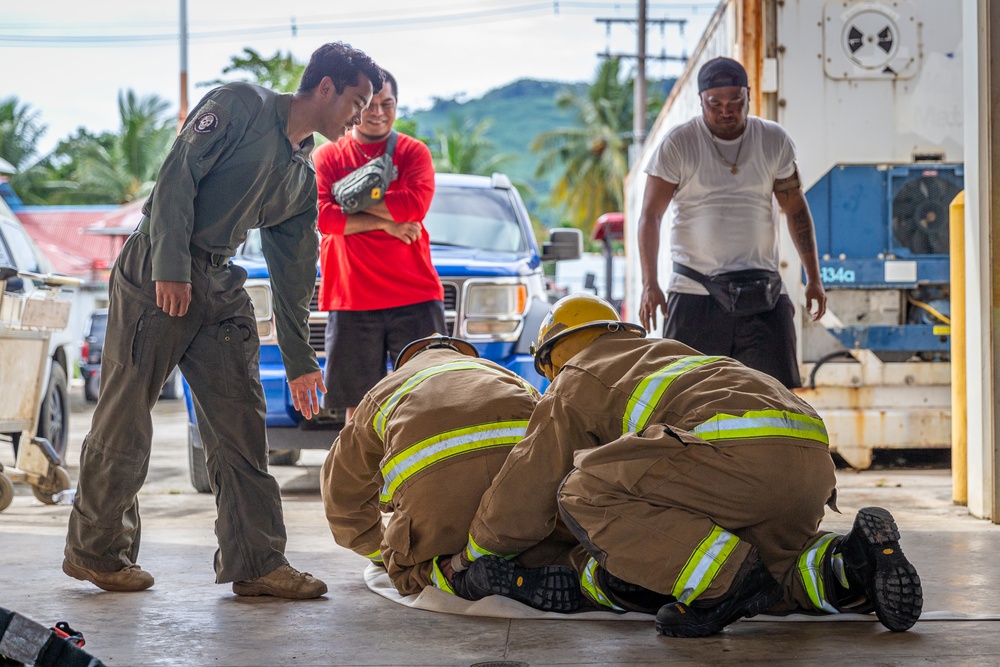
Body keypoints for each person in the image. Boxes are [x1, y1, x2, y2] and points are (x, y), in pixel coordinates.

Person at [63, 42, 384, 599]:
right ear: (326, 87)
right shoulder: (239, 104)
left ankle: (257, 561)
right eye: (357, 100)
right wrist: (169, 268)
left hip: (218, 280)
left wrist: (302, 361)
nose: (361, 116)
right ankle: (97, 552)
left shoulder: (300, 180)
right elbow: (175, 180)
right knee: (126, 414)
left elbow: (292, 275)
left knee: (242, 423)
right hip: (155, 270)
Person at [453, 293, 922, 637]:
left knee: (583, 490)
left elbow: (527, 483)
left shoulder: (578, 374)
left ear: (554, 355)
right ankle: (851, 565)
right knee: (773, 569)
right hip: (807, 460)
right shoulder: (664, 353)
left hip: (734, 455)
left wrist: (471, 553)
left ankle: (721, 583)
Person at [320, 334, 582, 611]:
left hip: (440, 527)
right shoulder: (509, 377)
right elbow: (561, 447)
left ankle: (454, 577)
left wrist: (381, 553)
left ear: (407, 361)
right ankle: (552, 567)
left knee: (410, 571)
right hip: (522, 518)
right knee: (552, 543)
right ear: (465, 355)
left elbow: (342, 499)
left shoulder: (382, 393)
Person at [637, 56, 827, 389]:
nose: (726, 111)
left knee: (775, 397)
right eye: (715, 104)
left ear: (748, 96)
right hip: (696, 292)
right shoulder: (679, 143)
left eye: (735, 102)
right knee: (684, 398)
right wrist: (650, 283)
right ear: (701, 101)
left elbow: (795, 208)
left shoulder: (772, 139)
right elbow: (650, 215)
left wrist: (814, 277)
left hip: (763, 294)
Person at [313, 70, 445, 424]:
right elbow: (324, 217)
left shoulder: (413, 152)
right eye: (370, 104)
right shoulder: (328, 157)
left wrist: (348, 198)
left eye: (388, 104)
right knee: (359, 409)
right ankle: (358, 481)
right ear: (357, 106)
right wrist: (386, 221)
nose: (379, 112)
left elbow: (413, 207)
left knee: (426, 400)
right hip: (352, 296)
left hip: (414, 295)